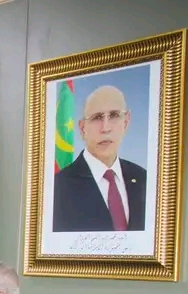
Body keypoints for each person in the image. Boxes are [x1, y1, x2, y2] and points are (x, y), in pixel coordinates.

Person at [53, 85, 146, 232]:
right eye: (97, 118)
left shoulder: (144, 179)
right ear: (82, 128)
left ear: (126, 122)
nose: (105, 128)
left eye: (114, 115)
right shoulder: (57, 187)